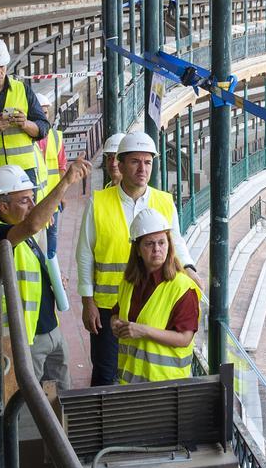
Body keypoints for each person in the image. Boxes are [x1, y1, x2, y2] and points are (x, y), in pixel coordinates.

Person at [76, 130, 199, 386]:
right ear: (120, 165)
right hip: (109, 305)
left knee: (138, 365)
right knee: (105, 369)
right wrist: (88, 302)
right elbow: (85, 254)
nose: (142, 169)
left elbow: (176, 240)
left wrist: (189, 268)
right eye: (135, 161)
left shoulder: (164, 201)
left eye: (148, 162)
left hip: (152, 301)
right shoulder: (98, 202)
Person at [0, 160, 91, 387]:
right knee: (28, 406)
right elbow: (32, 224)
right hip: (23, 340)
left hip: (50, 329)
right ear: (3, 206)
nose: (32, 205)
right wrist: (66, 181)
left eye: (33, 198)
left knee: (61, 399)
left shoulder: (20, 230)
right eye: (24, 200)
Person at [0, 35, 65, 251]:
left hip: (24, 176)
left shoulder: (22, 90)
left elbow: (43, 128)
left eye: (2, 66)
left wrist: (26, 124)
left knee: (31, 227)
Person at [111, 208, 201, 384]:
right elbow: (118, 311)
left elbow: (184, 339)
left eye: (162, 242)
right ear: (137, 249)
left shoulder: (183, 287)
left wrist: (143, 331)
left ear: (169, 245)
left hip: (166, 388)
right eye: (149, 244)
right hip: (130, 385)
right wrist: (114, 322)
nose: (157, 249)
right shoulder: (128, 283)